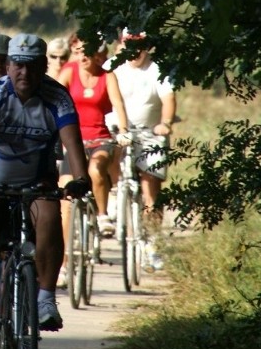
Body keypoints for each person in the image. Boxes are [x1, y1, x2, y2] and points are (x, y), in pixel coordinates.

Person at [0, 33, 91, 349]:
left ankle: (46, 297)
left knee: (49, 217)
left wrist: (81, 178)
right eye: (18, 65)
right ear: (8, 65)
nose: (24, 74)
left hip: (37, 182)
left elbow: (72, 142)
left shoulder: (57, 97)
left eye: (33, 67)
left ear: (43, 67)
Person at [110, 29, 177, 270]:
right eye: (129, 45)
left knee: (150, 186)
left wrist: (165, 123)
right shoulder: (114, 66)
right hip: (119, 130)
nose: (134, 51)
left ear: (147, 46)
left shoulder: (157, 69)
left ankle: (152, 244)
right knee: (107, 154)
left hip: (150, 132)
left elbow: (169, 99)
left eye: (139, 45)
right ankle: (113, 198)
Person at [58, 36, 130, 238]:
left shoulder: (107, 76)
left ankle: (102, 214)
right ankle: (63, 263)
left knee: (95, 170)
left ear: (96, 55)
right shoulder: (69, 72)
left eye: (86, 52)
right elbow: (53, 97)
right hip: (74, 142)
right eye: (78, 52)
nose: (82, 57)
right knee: (65, 197)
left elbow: (118, 104)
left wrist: (124, 130)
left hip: (100, 139)